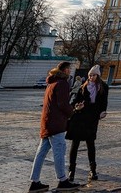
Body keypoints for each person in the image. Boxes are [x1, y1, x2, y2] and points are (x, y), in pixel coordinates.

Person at [27, 61, 81, 192]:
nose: (70, 71)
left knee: (41, 153)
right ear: (65, 70)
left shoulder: (51, 83)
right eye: (69, 69)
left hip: (47, 122)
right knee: (59, 152)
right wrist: (73, 111)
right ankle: (62, 180)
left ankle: (34, 181)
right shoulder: (62, 83)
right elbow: (63, 104)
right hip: (56, 123)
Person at [65, 65, 108, 183]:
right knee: (75, 144)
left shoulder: (103, 87)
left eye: (93, 75)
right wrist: (76, 106)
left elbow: (104, 101)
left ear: (98, 76)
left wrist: (103, 111)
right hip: (80, 117)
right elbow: (75, 101)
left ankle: (93, 170)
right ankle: (71, 170)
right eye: (89, 75)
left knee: (90, 144)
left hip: (92, 118)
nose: (91, 77)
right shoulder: (83, 87)